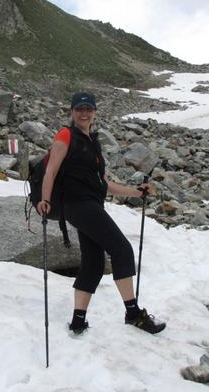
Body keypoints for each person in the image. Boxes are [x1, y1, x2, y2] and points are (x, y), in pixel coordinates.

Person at [36, 92, 165, 335]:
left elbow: (104, 182)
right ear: (72, 112)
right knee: (122, 249)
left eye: (88, 109)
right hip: (79, 205)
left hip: (91, 205)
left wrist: (136, 192)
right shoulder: (65, 135)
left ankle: (78, 320)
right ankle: (133, 313)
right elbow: (51, 171)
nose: (84, 113)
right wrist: (44, 199)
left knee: (94, 263)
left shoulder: (92, 142)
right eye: (79, 109)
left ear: (95, 112)